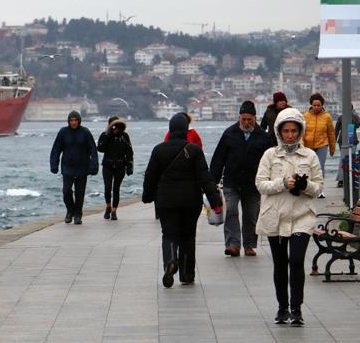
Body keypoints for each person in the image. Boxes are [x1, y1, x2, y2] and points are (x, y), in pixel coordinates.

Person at [255, 108, 323, 326]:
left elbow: (319, 186)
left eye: (294, 130)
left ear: (300, 131)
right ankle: (282, 307)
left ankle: (297, 308)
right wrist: (282, 183)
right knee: (279, 263)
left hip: (301, 215)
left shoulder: (310, 156)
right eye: (286, 131)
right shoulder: (270, 155)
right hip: (275, 215)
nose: (290, 135)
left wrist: (306, 185)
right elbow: (260, 184)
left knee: (296, 260)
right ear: (279, 132)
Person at [142, 113, 222, 288]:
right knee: (187, 236)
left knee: (169, 234)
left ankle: (170, 261)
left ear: (170, 130)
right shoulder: (194, 150)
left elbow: (150, 176)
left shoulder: (159, 150)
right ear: (186, 130)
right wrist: (215, 202)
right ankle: (186, 274)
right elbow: (205, 178)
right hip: (190, 201)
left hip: (166, 201)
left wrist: (147, 196)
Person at [210, 100, 271, 257]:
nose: (246, 122)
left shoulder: (263, 137)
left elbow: (270, 161)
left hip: (253, 183)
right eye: (243, 119)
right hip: (231, 181)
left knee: (251, 215)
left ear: (255, 119)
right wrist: (212, 181)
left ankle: (249, 245)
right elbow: (218, 159)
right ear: (239, 118)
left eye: (249, 119)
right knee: (230, 211)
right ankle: (233, 244)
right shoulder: (229, 133)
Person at [50, 111, 99, 225]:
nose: (73, 122)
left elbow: (93, 150)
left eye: (75, 120)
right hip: (68, 167)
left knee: (79, 193)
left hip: (82, 167)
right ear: (68, 121)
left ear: (79, 121)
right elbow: (56, 149)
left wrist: (94, 166)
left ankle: (78, 215)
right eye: (71, 120)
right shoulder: (63, 132)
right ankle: (70, 211)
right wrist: (54, 165)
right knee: (66, 191)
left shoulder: (85, 132)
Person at [97, 116, 134, 221]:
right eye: (112, 125)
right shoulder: (104, 135)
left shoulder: (124, 136)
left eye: (116, 125)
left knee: (116, 188)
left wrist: (129, 166)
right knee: (108, 187)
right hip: (107, 166)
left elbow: (129, 151)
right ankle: (108, 206)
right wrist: (109, 135)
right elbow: (100, 148)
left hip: (120, 166)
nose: (115, 127)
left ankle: (114, 211)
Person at [302, 92, 335, 199]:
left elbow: (331, 133)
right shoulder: (305, 116)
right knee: (308, 167)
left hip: (322, 145)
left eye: (318, 105)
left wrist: (332, 147)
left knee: (320, 167)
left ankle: (320, 190)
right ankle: (310, 189)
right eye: (314, 105)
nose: (316, 107)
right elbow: (301, 132)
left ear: (322, 105)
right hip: (308, 145)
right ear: (311, 105)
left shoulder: (327, 117)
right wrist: (301, 145)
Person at [335, 105, 360, 188]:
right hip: (342, 141)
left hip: (352, 140)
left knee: (351, 159)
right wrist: (334, 141)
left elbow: (357, 125)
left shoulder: (355, 117)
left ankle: (349, 178)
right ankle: (342, 179)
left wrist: (351, 117)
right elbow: (336, 129)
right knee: (344, 159)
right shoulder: (340, 118)